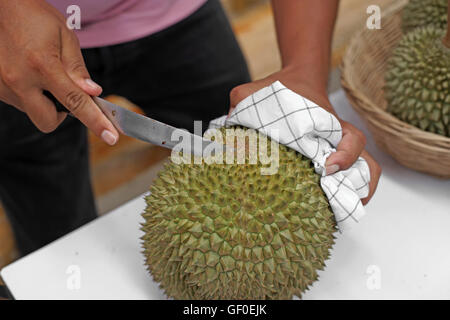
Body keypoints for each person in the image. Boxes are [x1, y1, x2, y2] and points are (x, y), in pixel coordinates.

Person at [0, 0, 381, 255]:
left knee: (245, 156)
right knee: (56, 239)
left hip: (176, 14)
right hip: (15, 45)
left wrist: (306, 73)